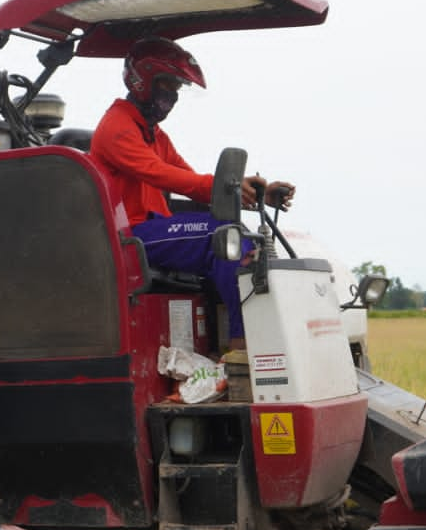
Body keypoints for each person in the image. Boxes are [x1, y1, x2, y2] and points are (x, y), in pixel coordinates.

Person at [88, 36, 295, 350]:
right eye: (167, 85)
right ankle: (241, 347)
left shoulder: (154, 133)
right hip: (129, 235)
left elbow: (190, 177)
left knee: (237, 240)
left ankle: (245, 339)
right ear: (143, 81)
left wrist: (252, 193)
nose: (172, 95)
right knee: (221, 236)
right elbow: (164, 175)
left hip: (153, 229)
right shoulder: (117, 128)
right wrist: (229, 185)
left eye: (176, 88)